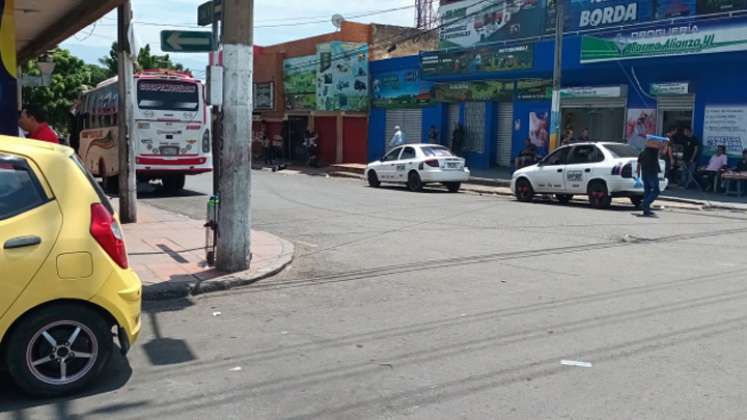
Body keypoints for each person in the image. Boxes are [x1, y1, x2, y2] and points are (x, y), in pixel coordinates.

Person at [637, 138, 665, 217]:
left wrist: (638, 177)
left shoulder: (642, 152)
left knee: (647, 192)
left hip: (644, 174)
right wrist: (664, 143)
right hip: (652, 174)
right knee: (656, 190)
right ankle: (645, 203)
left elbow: (638, 165)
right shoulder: (654, 151)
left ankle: (646, 211)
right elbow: (662, 150)